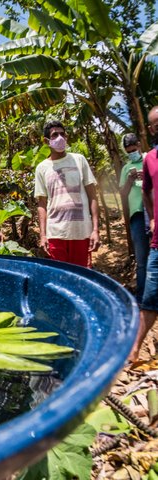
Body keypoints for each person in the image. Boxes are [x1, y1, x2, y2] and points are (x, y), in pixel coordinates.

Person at [34, 120, 99, 267]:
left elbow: (92, 196)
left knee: (81, 276)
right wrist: (43, 235)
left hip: (81, 232)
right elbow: (42, 204)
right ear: (46, 141)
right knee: (60, 278)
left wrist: (95, 230)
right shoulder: (42, 168)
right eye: (55, 135)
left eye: (62, 134)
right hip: (56, 233)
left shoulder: (79, 160)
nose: (60, 138)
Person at [136, 105, 158, 363]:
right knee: (150, 298)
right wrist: (151, 217)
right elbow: (145, 191)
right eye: (156, 124)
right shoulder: (149, 159)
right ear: (151, 129)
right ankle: (134, 352)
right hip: (157, 241)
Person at [120, 133, 149, 302]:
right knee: (141, 260)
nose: (132, 153)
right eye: (129, 151)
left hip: (153, 213)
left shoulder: (150, 160)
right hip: (137, 216)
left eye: (134, 149)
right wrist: (130, 180)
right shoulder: (126, 168)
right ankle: (141, 298)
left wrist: (146, 177)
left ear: (139, 145)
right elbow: (123, 193)